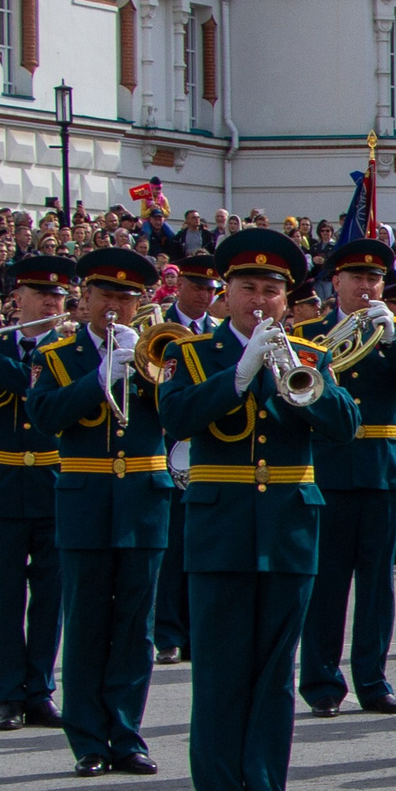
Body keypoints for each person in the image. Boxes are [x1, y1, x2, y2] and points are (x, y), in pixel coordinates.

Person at [157, 228, 360, 791]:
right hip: (221, 527)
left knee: (276, 673)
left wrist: (299, 380)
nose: (260, 301)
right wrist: (238, 379)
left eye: (272, 291)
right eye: (248, 288)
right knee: (220, 672)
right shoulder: (193, 355)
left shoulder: (308, 354)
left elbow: (344, 425)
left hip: (290, 528)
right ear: (226, 292)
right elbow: (175, 417)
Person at [26, 246, 173, 777]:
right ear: (84, 298)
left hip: (143, 500)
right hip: (86, 499)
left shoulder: (155, 352)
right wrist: (100, 378)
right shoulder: (59, 357)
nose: (115, 306)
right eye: (106, 295)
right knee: (86, 621)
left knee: (137, 626)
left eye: (126, 298)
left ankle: (127, 734)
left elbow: (177, 417)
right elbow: (46, 416)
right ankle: (88, 737)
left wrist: (149, 368)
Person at [299, 238, 396, 716]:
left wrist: (394, 339)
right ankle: (321, 683)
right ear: (336, 283)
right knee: (326, 582)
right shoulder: (310, 332)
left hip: (380, 468)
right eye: (357, 279)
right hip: (327, 463)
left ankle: (373, 680)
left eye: (374, 280)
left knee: (377, 584)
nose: (367, 288)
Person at [0, 256, 73, 731]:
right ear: (17, 300)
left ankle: (41, 690)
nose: (52, 302)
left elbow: (35, 391)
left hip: (52, 484)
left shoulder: (68, 348)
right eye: (41, 294)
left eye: (59, 296)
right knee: (3, 597)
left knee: (50, 598)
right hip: (1, 487)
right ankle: (8, 695)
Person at [152, 253, 222, 664]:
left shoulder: (218, 332)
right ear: (179, 287)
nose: (204, 295)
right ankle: (168, 633)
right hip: (165, 445)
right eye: (197, 287)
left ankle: (197, 630)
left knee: (204, 542)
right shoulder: (155, 328)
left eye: (211, 290)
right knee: (173, 543)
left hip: (208, 446)